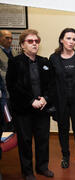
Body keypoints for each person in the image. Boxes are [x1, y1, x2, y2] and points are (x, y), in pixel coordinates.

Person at [6, 29, 54, 180]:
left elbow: (51, 84)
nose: (34, 44)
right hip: (23, 110)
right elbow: (12, 86)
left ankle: (42, 167)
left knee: (43, 140)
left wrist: (45, 98)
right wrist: (30, 101)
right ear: (22, 45)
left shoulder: (44, 62)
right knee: (25, 142)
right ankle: (27, 172)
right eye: (30, 41)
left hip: (42, 108)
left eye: (36, 41)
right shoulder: (15, 62)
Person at [49, 28, 75, 169]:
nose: (71, 42)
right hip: (61, 101)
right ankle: (65, 156)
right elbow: (51, 82)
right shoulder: (53, 58)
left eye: (74, 39)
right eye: (68, 38)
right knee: (63, 130)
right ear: (61, 39)